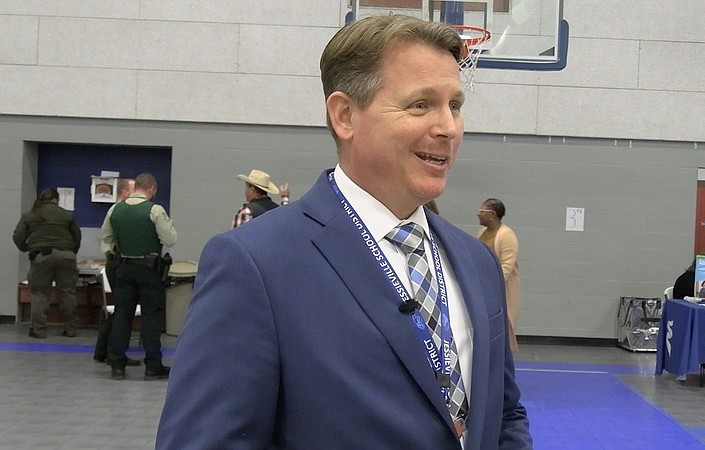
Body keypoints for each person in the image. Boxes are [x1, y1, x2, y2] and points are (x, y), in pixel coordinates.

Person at [157, 14, 531, 449]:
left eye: (455, 105)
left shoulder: (477, 262)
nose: (448, 127)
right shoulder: (257, 265)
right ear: (345, 115)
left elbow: (504, 412)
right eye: (420, 104)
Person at [101, 173, 177, 380]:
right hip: (149, 269)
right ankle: (153, 365)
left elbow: (106, 238)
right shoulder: (155, 210)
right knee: (151, 316)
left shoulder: (115, 209)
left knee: (122, 314)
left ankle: (117, 364)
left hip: (124, 267)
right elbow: (170, 239)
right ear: (151, 189)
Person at [13, 188, 82, 339]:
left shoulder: (30, 214)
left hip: (42, 256)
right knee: (67, 293)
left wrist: (28, 248)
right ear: (56, 199)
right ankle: (70, 330)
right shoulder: (67, 215)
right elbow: (77, 236)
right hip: (66, 256)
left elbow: (18, 236)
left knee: (40, 294)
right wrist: (70, 253)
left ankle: (38, 331)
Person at [94, 178, 141, 365]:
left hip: (115, 261)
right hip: (118, 262)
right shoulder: (119, 211)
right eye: (134, 189)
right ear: (125, 193)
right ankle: (113, 353)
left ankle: (104, 350)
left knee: (121, 308)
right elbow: (107, 236)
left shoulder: (118, 211)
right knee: (123, 309)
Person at [476, 198, 521, 351]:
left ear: (492, 215)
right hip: (483, 288)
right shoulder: (481, 233)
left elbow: (506, 267)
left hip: (502, 289)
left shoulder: (506, 235)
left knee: (503, 327)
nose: (478, 214)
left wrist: (492, 285)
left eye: (482, 211)